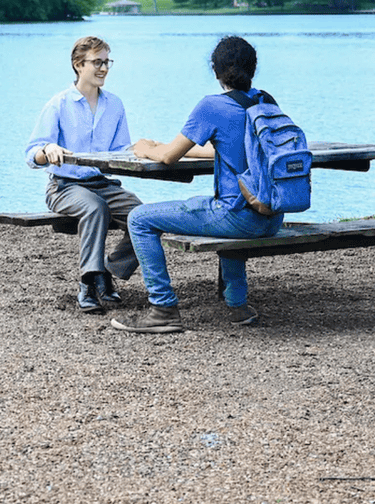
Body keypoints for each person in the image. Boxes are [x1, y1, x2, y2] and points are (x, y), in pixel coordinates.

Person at [110, 35, 283, 335]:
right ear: (252, 70)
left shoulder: (212, 106)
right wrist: (173, 147)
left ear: (216, 72)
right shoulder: (266, 102)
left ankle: (162, 308)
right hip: (270, 216)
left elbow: (166, 158)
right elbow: (225, 150)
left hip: (238, 219)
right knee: (224, 208)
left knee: (139, 218)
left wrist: (144, 148)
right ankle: (238, 306)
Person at [25, 35, 141, 314]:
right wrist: (47, 148)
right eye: (97, 62)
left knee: (144, 216)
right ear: (79, 65)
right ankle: (88, 283)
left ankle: (107, 272)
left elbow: (120, 151)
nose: (103, 68)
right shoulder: (59, 104)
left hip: (102, 184)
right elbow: (31, 154)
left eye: (106, 62)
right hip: (64, 187)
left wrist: (144, 150)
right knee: (95, 208)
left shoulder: (115, 105)